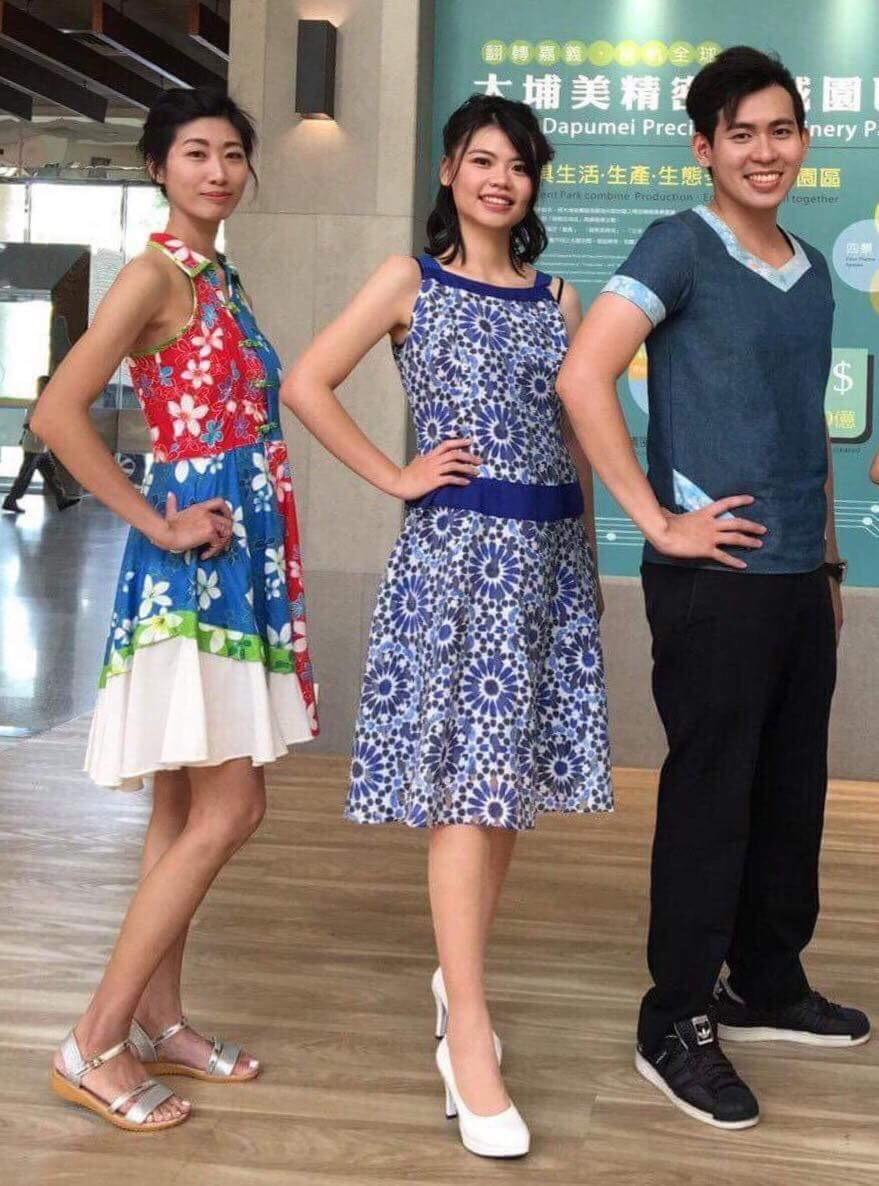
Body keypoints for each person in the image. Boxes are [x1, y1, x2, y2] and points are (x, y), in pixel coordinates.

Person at [283, 94, 611, 1158]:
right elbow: (305, 382)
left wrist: (587, 566)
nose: (500, 180)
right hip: (459, 562)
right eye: (481, 161)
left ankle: (454, 981)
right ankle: (468, 1028)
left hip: (546, 561)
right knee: (466, 795)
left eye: (517, 164)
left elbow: (577, 434)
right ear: (447, 172)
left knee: (500, 791)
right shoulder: (407, 281)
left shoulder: (559, 299)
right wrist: (397, 474)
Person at [557, 46, 870, 1132]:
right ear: (704, 147)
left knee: (789, 790)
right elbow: (583, 374)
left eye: (780, 131)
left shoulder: (812, 268)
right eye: (741, 134)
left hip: (795, 577)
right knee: (711, 798)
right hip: (713, 579)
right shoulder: (678, 244)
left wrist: (827, 558)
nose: (763, 151)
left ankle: (765, 981)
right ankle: (675, 1016)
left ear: (804, 141)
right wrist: (657, 521)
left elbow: (806, 425)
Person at [32, 86, 317, 1132]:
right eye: (196, 152)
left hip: (237, 563)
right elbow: (58, 411)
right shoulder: (152, 274)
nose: (218, 171)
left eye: (233, 153)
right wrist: (156, 520)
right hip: (196, 573)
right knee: (232, 806)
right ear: (159, 167)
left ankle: (158, 1020)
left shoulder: (218, 277)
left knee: (179, 809)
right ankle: (93, 1039)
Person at [2, 375, 79, 513]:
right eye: (44, 386)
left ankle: (61, 500)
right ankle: (10, 501)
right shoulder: (36, 404)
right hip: (33, 447)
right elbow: (28, 424)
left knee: (52, 475)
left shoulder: (49, 404)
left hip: (43, 448)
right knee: (25, 476)